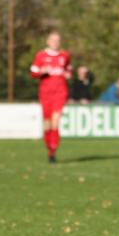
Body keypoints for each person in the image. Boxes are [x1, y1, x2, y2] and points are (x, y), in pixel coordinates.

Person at [29, 32, 72, 163]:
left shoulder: (65, 55)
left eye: (58, 40)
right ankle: (50, 149)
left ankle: (53, 147)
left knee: (55, 121)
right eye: (53, 40)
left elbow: (68, 69)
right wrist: (42, 71)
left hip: (60, 92)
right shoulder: (40, 55)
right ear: (48, 41)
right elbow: (33, 72)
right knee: (47, 124)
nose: (56, 42)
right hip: (45, 93)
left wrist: (68, 74)